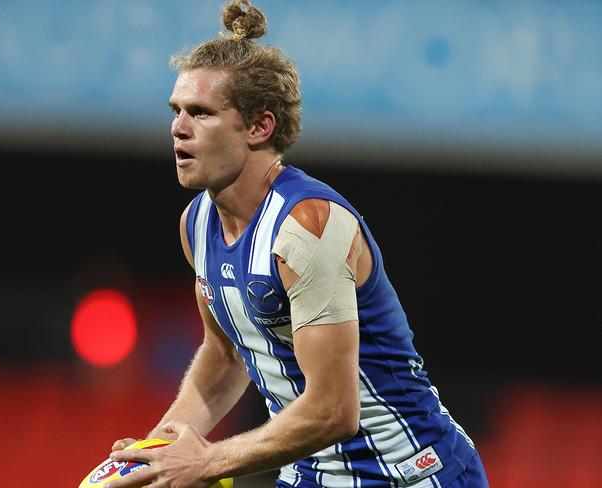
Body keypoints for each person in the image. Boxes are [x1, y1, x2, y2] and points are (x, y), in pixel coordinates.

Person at [107, 1, 489, 487]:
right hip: (311, 474)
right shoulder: (197, 224)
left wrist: (204, 461)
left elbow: (333, 410)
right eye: (177, 111)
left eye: (201, 113)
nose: (178, 128)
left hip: (407, 473)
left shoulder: (307, 227)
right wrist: (162, 447)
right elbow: (226, 354)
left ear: (259, 127)